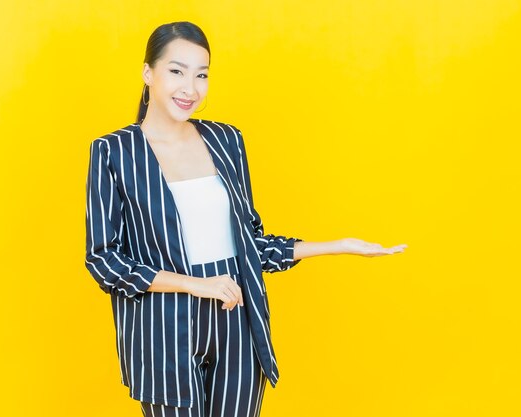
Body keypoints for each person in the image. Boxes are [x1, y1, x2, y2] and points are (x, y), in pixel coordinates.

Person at [84, 21, 407, 417]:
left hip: (236, 317)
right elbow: (103, 261)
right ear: (148, 72)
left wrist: (338, 246)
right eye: (176, 71)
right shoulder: (113, 152)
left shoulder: (227, 140)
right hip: (162, 329)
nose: (191, 88)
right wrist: (196, 285)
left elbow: (251, 244)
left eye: (201, 75)